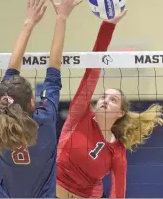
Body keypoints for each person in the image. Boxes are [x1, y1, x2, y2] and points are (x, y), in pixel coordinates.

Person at [0, 0, 82, 198]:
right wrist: (60, 19)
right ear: (32, 103)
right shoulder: (43, 119)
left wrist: (31, 23)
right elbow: (51, 70)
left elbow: (49, 70)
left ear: (1, 100)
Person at [56, 11, 163, 198]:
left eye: (113, 100)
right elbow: (93, 69)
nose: (105, 100)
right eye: (103, 97)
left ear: (120, 113)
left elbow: (118, 192)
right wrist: (108, 26)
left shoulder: (117, 151)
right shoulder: (79, 115)